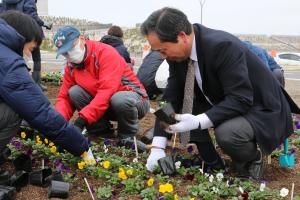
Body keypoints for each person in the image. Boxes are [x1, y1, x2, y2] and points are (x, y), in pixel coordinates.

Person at [141, 7, 300, 179]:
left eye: (163, 50)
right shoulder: (177, 56)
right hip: (229, 102)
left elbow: (241, 99)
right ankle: (212, 162)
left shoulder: (222, 46)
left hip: (262, 107)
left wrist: (199, 121)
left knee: (228, 133)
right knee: (187, 107)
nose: (162, 56)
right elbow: (170, 99)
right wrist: (157, 147)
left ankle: (252, 159)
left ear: (181, 37)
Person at [0, 11, 92, 162]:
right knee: (14, 111)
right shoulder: (8, 62)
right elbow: (39, 111)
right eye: (31, 49)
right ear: (21, 38)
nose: (29, 55)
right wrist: (81, 146)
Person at [53, 26, 150, 149]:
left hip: (135, 101)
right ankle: (100, 131)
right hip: (106, 106)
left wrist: (81, 121)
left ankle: (127, 137)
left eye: (71, 48)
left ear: (82, 39)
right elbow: (64, 97)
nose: (70, 55)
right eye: (65, 53)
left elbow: (107, 91)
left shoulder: (105, 53)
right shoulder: (71, 66)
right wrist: (57, 124)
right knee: (74, 92)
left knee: (119, 99)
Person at [1, 0, 52, 91]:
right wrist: (44, 23)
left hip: (9, 31)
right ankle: (37, 83)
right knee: (36, 58)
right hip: (28, 31)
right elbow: (32, 15)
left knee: (13, 58)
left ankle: (16, 81)